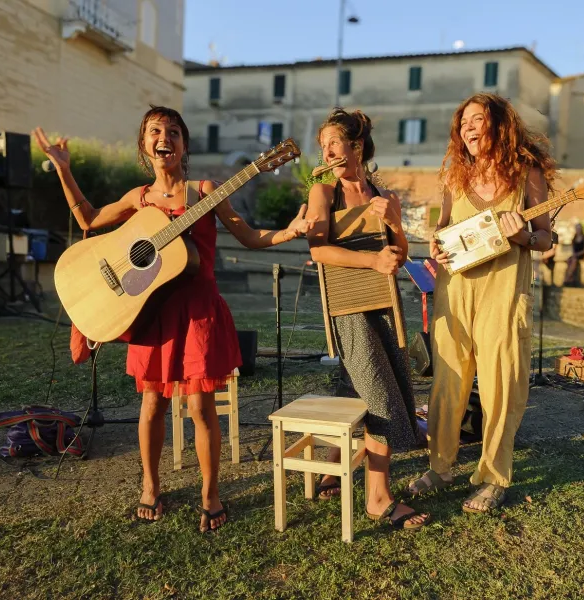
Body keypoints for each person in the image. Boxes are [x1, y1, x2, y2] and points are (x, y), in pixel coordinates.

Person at [33, 106, 313, 532]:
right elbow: (88, 220)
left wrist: (290, 232)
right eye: (154, 131)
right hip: (152, 312)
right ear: (145, 146)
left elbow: (249, 236)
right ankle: (150, 484)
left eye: (174, 132)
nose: (164, 137)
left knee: (201, 408)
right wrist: (63, 169)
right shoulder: (138, 199)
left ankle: (210, 492)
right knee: (151, 406)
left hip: (198, 312)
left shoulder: (204, 191)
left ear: (184, 146)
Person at [407, 93, 555, 513]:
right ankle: (441, 467)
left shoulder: (527, 175)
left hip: (504, 294)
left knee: (500, 387)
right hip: (454, 293)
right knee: (446, 384)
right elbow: (441, 230)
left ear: (499, 125)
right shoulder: (455, 179)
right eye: (463, 122)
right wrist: (435, 245)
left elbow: (545, 239)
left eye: (477, 119)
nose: (468, 127)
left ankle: (493, 476)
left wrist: (522, 236)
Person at [305, 108, 430, 530]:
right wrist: (372, 260)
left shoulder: (383, 194)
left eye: (333, 143)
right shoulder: (323, 193)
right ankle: (378, 497)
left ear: (356, 146)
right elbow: (318, 251)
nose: (326, 151)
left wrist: (393, 225)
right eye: (323, 145)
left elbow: (402, 252)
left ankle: (332, 467)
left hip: (384, 305)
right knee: (378, 396)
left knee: (354, 388)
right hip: (349, 308)